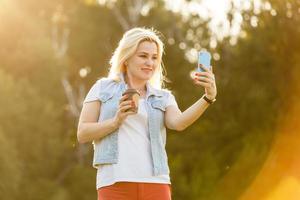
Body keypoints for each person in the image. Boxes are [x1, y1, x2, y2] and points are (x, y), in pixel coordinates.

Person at [77, 27, 217, 200]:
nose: (150, 63)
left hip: (156, 184)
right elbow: (82, 133)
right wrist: (115, 122)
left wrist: (208, 97)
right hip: (114, 183)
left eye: (154, 58)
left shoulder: (163, 97)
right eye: (143, 56)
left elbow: (179, 123)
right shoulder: (102, 88)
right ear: (127, 58)